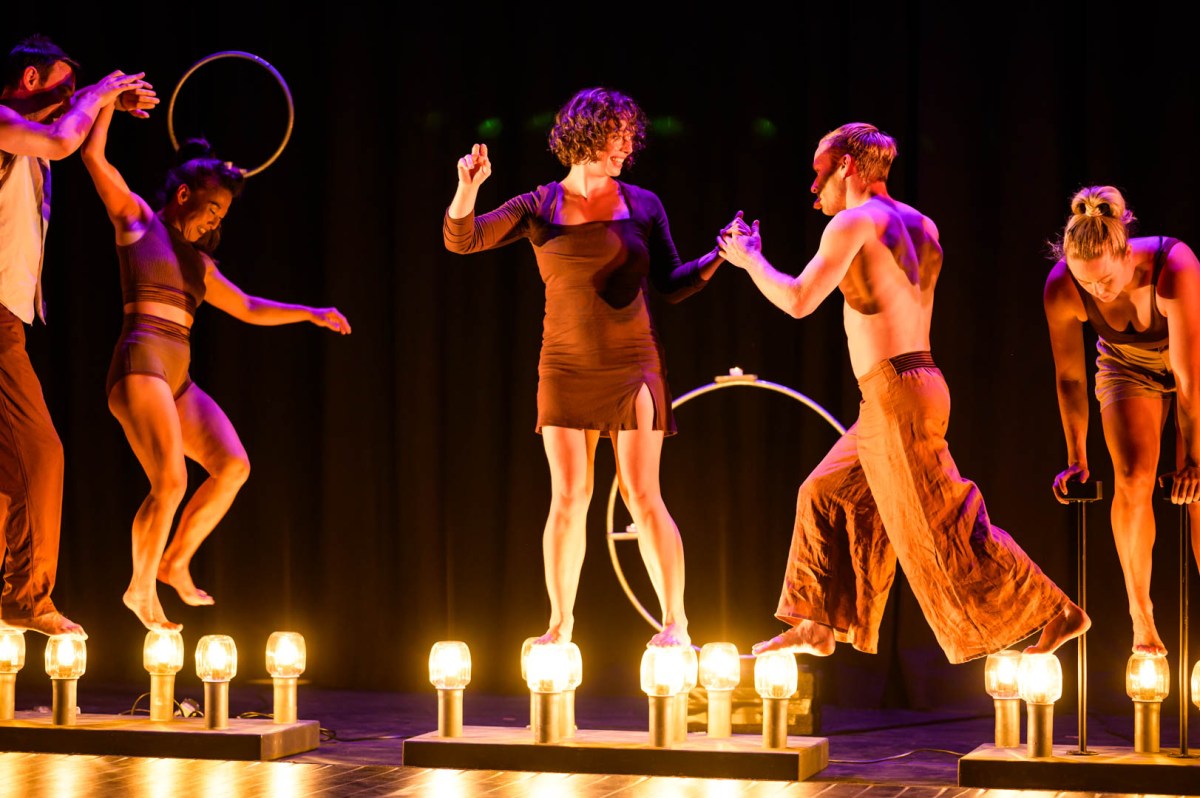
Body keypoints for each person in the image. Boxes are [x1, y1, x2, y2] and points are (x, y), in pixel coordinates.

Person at [718, 122, 1089, 663]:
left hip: (895, 389)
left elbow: (799, 301)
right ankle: (818, 623)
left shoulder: (851, 224)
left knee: (940, 521)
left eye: (819, 170)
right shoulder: (922, 224)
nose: (813, 185)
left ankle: (1055, 610)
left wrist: (749, 260)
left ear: (845, 164)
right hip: (912, 384)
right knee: (825, 493)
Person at [443, 86, 742, 648]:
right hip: (565, 365)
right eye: (617, 136)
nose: (627, 147)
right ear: (584, 136)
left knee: (641, 493)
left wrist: (718, 257)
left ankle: (676, 622)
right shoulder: (538, 204)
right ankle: (560, 624)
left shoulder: (644, 204)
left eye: (631, 137)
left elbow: (672, 285)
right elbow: (463, 240)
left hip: (633, 363)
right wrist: (467, 190)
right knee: (570, 496)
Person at [80, 98, 351, 632]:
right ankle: (140, 588)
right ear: (184, 195)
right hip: (140, 366)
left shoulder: (199, 264)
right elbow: (93, 156)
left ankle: (175, 559)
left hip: (176, 378)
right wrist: (108, 99)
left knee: (233, 467)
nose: (215, 220)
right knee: (171, 481)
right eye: (212, 208)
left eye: (222, 215)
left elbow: (248, 306)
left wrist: (311, 313)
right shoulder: (137, 222)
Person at [0, 35, 156, 638]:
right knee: (41, 453)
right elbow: (65, 137)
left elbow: (78, 143)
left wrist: (107, 107)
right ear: (32, 79)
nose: (72, 100)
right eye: (63, 88)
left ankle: (18, 595)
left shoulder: (31, 143)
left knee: (10, 471)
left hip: (10, 319)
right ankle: (29, 599)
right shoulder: (4, 121)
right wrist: (94, 95)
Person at [1043, 185, 1200, 656]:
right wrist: (1076, 455)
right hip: (1127, 368)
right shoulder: (1061, 287)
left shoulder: (1175, 266)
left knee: (1198, 493)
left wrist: (1192, 458)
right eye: (1086, 283)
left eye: (1106, 280)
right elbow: (1070, 379)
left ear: (1127, 252)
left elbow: (1190, 381)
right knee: (1132, 477)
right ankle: (1141, 616)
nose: (1098, 291)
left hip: (1189, 363)